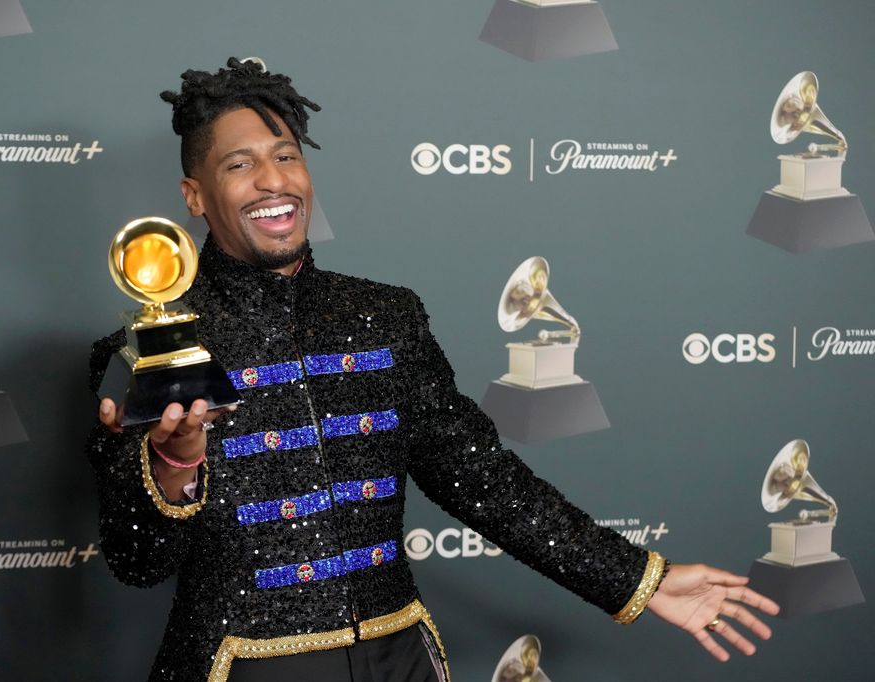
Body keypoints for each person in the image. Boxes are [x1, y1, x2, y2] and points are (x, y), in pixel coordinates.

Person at [88, 58, 778, 682]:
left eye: (286, 156)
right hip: (238, 664)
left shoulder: (387, 315)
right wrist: (175, 465)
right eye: (240, 164)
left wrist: (639, 580)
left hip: (401, 657)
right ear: (195, 195)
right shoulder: (148, 345)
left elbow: (486, 481)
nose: (274, 181)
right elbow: (137, 561)